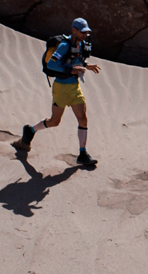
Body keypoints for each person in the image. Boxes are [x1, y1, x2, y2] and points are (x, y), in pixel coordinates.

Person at [15, 18, 99, 170]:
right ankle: (30, 130)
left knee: (83, 118)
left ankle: (83, 154)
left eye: (87, 32)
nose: (86, 34)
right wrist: (71, 70)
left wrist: (87, 65)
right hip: (61, 88)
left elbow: (76, 60)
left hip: (75, 87)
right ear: (74, 30)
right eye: (83, 31)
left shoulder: (80, 44)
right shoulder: (64, 45)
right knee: (54, 121)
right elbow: (52, 64)